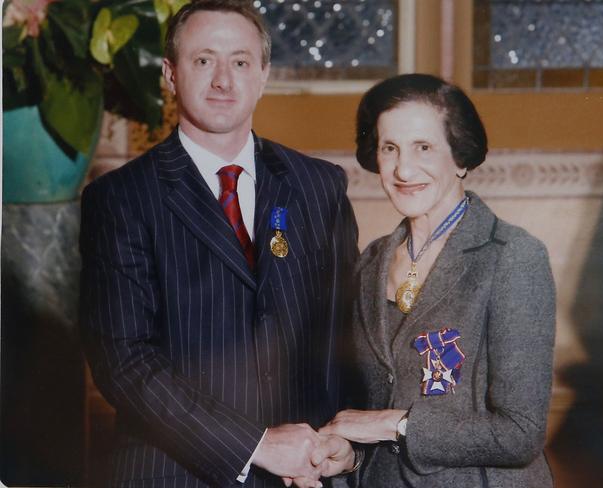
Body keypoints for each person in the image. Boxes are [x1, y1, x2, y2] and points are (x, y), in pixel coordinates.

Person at [79, 1, 359, 486]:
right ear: (169, 73)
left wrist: (345, 447)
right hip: (172, 471)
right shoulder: (121, 198)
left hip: (306, 473)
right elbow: (124, 362)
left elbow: (344, 338)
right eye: (204, 60)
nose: (224, 81)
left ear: (264, 75)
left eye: (241, 62)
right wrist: (256, 445)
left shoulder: (320, 186)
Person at [319, 74, 556, 487]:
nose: (403, 168)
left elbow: (520, 433)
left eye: (423, 147)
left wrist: (397, 425)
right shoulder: (369, 263)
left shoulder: (513, 257)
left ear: (461, 157)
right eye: (389, 148)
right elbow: (369, 411)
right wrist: (349, 457)